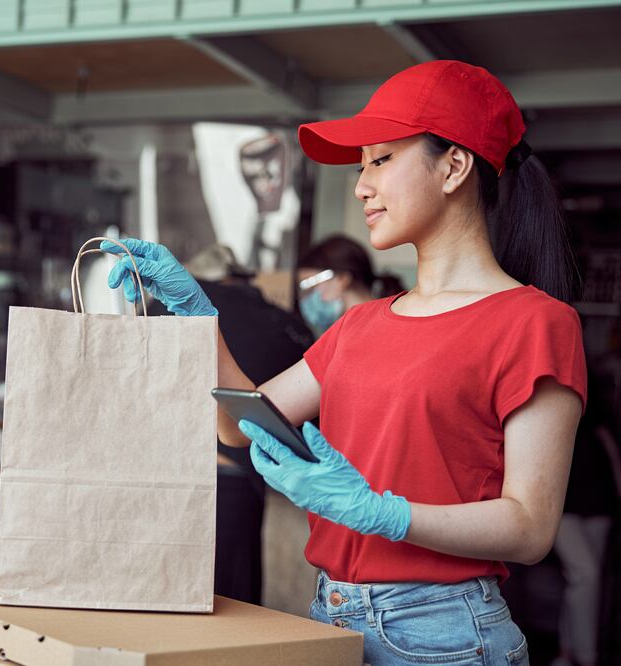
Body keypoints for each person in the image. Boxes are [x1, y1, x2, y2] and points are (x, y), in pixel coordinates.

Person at [103, 60, 586, 665]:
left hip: (444, 633)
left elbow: (530, 528)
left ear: (455, 166)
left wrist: (381, 513)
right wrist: (200, 318)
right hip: (330, 617)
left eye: (381, 159)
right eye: (361, 166)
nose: (361, 185)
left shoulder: (534, 322)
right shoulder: (360, 324)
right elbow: (240, 428)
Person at [149, 243, 313, 605]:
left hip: (168, 477)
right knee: (232, 618)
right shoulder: (285, 323)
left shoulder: (164, 309)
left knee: (161, 607)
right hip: (238, 483)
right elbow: (243, 429)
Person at [551, 375, 621, 666]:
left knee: (583, 580)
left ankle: (568, 651)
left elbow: (610, 446)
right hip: (561, 504)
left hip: (599, 500)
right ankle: (586, 656)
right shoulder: (545, 399)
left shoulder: (594, 404)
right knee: (587, 574)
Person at [296, 235, 404, 335]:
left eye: (309, 286)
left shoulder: (380, 330)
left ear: (341, 278)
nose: (305, 298)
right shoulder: (342, 332)